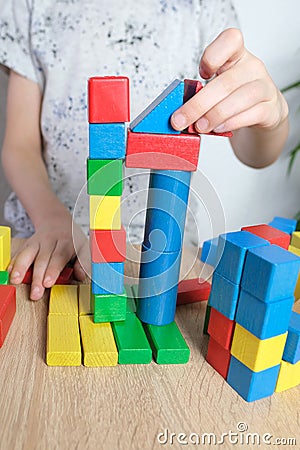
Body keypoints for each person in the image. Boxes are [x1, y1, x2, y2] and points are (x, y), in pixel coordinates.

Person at [0, 0, 289, 301]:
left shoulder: (204, 8)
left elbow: (256, 154)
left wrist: (270, 119)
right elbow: (20, 146)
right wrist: (51, 219)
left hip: (168, 254)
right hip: (52, 242)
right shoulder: (30, 5)